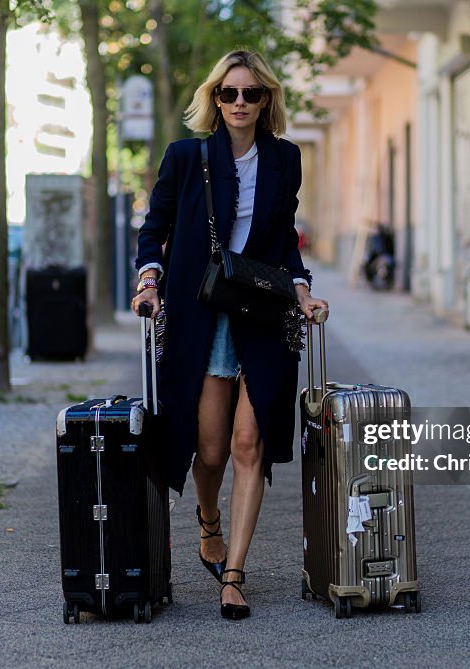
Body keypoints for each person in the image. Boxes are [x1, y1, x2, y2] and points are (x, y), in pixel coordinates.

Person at [132, 49, 328, 621]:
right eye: (230, 93)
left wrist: (302, 289)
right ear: (214, 99)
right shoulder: (186, 158)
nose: (240, 103)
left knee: (250, 443)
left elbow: (285, 236)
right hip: (201, 314)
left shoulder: (284, 158)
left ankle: (235, 573)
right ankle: (209, 524)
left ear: (267, 100)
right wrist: (150, 280)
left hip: (263, 314)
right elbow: (156, 228)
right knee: (211, 447)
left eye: (252, 94)